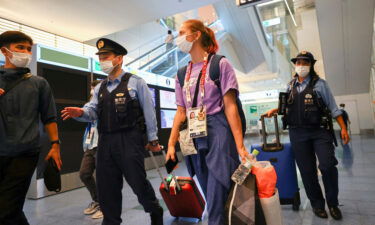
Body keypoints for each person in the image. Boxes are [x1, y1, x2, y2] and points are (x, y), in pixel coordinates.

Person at [61, 38, 163, 225]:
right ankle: (110, 221)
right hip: (105, 142)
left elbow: (150, 113)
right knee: (107, 188)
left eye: (106, 56)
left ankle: (154, 210)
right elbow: (91, 111)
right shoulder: (99, 87)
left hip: (130, 141)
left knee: (138, 183)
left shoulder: (136, 83)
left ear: (119, 58)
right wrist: (80, 112)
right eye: (100, 57)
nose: (102, 61)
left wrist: (153, 140)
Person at [165, 19, 250, 225]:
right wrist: (170, 143)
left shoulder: (219, 64)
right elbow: (180, 112)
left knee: (217, 189)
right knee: (208, 190)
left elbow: (230, 107)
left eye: (182, 32)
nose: (178, 38)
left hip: (218, 130)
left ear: (195, 35)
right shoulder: (181, 74)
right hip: (194, 135)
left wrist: (239, 144)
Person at [265, 51, 350, 220]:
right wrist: (276, 109)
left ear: (311, 65)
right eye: (299, 62)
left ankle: (332, 203)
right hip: (297, 133)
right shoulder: (290, 86)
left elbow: (333, 108)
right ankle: (317, 204)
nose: (301, 65)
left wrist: (343, 128)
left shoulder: (320, 85)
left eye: (305, 62)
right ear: (295, 64)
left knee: (327, 165)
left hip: (319, 131)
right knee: (307, 171)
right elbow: (286, 106)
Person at [0, 31, 62, 225]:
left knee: (7, 210)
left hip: (25, 153)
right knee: (10, 208)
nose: (26, 52)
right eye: (20, 47)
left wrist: (55, 145)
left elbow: (49, 117)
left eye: (29, 49)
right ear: (5, 51)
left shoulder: (39, 84)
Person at [80, 80, 103, 220]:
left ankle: (105, 206)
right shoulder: (89, 104)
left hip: (102, 144)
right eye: (91, 88)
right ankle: (97, 200)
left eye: (94, 88)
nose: (92, 90)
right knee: (84, 174)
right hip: (90, 144)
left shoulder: (104, 102)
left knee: (103, 178)